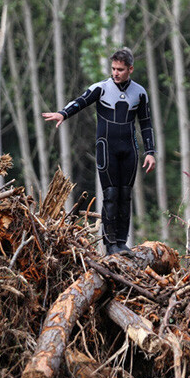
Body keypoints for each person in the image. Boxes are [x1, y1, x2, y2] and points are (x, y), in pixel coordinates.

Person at [43, 47, 156, 254]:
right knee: (111, 195)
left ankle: (122, 242)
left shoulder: (139, 92)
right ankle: (110, 244)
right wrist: (63, 114)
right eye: (113, 68)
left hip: (129, 149)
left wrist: (150, 152)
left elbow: (146, 123)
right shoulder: (101, 88)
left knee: (125, 195)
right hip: (107, 149)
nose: (115, 73)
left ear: (130, 69)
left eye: (120, 69)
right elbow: (80, 101)